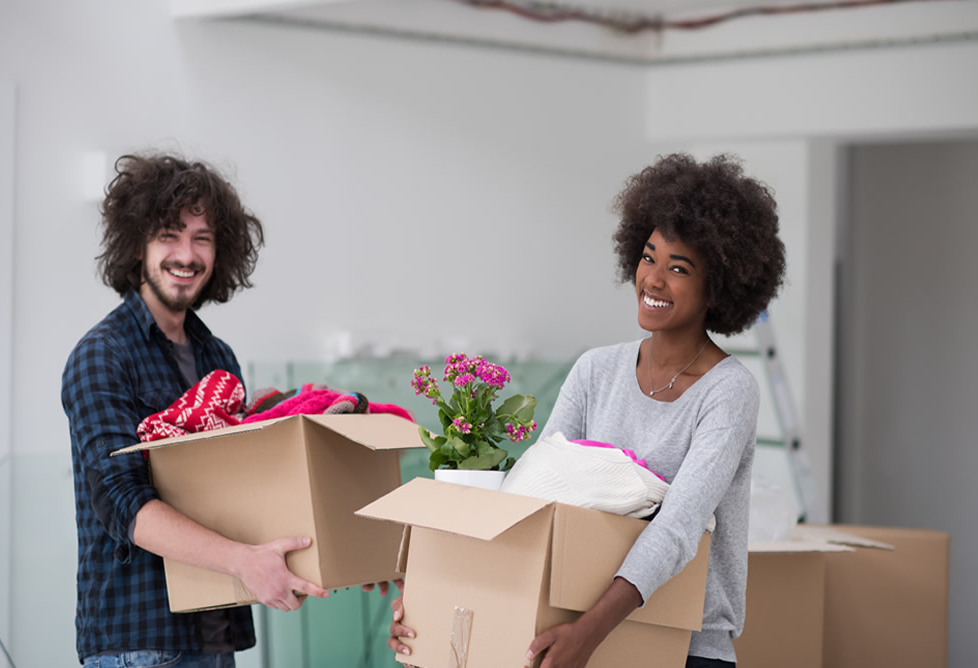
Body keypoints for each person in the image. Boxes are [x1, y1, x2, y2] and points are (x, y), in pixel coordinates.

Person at [388, 152, 786, 668]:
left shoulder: (728, 392)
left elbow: (677, 529)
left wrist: (588, 632)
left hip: (681, 646)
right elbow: (533, 504)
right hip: (573, 630)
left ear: (720, 284)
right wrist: (430, 601)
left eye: (679, 267)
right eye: (648, 257)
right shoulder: (596, 371)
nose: (654, 280)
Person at [62, 153, 329, 668]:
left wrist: (330, 553)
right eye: (169, 234)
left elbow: (235, 495)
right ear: (136, 245)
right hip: (140, 643)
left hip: (215, 631)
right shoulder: (103, 353)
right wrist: (245, 562)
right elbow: (120, 501)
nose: (186, 254)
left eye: (201, 238)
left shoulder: (217, 357)